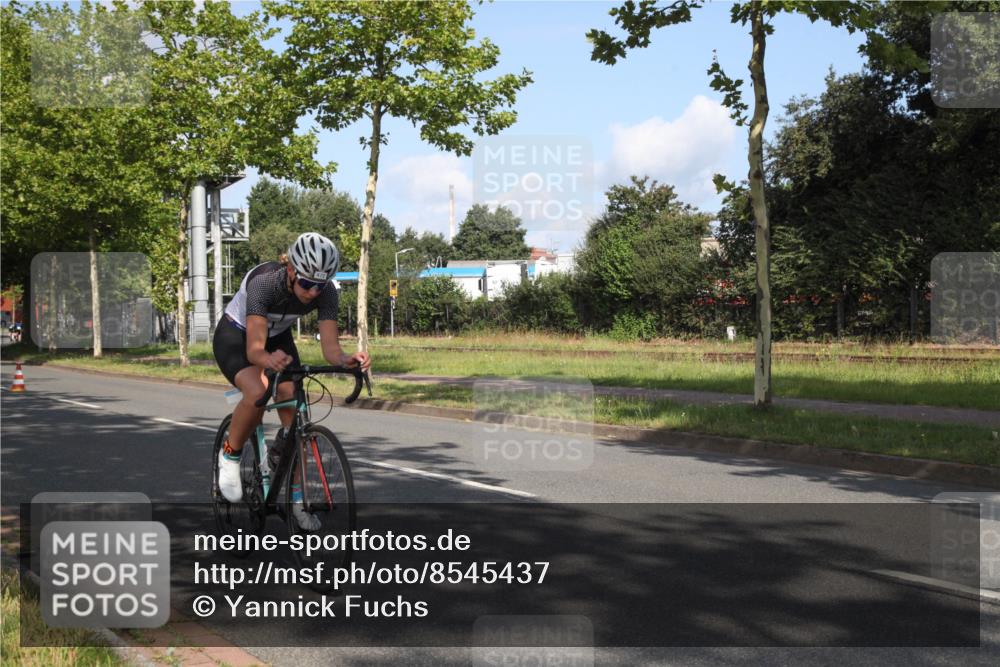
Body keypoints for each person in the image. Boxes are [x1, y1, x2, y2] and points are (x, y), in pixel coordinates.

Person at [212, 233, 370, 529]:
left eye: (319, 286)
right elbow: (255, 350)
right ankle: (230, 455)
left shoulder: (327, 293)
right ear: (291, 271)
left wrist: (345, 360)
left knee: (296, 413)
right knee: (258, 389)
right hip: (237, 336)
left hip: (277, 337)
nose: (312, 293)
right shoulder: (264, 284)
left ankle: (297, 499)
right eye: (307, 284)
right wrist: (266, 361)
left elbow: (331, 349)